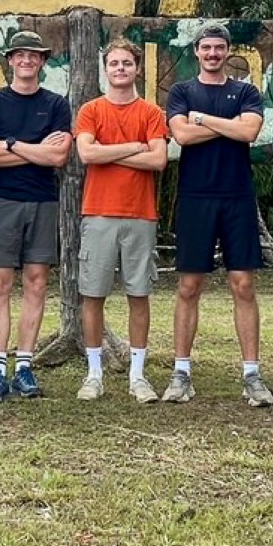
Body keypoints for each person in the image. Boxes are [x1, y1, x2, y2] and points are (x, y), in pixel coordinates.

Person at [164, 23, 273, 407]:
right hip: (196, 197)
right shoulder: (182, 92)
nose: (212, 54)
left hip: (237, 196)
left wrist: (202, 120)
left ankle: (252, 376)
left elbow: (249, 134)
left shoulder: (245, 91)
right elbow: (181, 136)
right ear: (197, 51)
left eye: (219, 48)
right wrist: (227, 125)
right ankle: (181, 373)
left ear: (228, 51)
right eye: (206, 48)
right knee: (188, 286)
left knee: (243, 285)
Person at [0, 29, 72, 402]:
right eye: (20, 54)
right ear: (10, 60)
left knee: (37, 281)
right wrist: (33, 149)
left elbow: (58, 156)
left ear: (42, 61)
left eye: (34, 55)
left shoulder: (56, 104)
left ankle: (24, 366)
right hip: (3, 200)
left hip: (43, 200)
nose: (27, 60)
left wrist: (10, 144)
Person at [73, 39, 170, 403]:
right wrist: (134, 147)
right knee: (92, 295)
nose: (120, 69)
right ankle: (94, 374)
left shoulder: (151, 112)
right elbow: (86, 153)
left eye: (127, 63)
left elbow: (158, 160)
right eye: (114, 63)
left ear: (137, 68)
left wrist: (108, 153)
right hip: (98, 213)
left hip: (140, 215)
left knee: (139, 294)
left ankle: (138, 375)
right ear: (106, 69)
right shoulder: (91, 110)